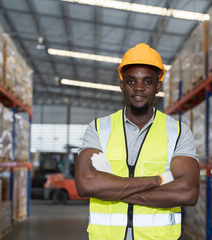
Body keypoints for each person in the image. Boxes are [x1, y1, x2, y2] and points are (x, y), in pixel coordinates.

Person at [75, 43, 200, 240]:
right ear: (122, 85)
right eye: (131, 81)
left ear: (157, 87)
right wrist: (157, 180)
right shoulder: (98, 129)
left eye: (147, 82)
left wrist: (112, 189)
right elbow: (86, 185)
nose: (139, 88)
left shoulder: (178, 132)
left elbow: (188, 192)